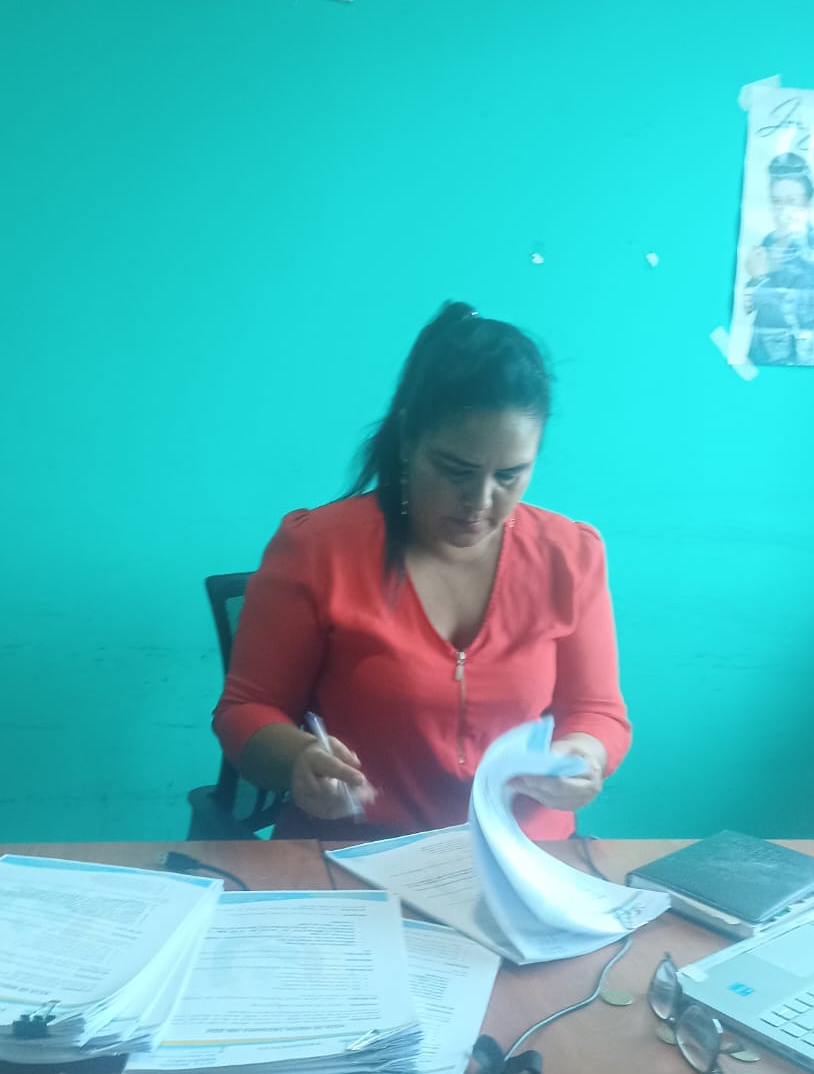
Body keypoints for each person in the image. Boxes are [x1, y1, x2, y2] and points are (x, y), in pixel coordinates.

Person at [212, 302, 631, 842]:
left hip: (520, 856)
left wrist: (585, 754)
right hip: (357, 854)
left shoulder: (569, 554)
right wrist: (299, 759)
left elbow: (598, 711)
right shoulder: (319, 549)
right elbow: (245, 709)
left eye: (510, 475)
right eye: (456, 471)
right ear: (409, 439)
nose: (480, 500)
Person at [745, 151, 814, 366]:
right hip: (757, 356)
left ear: (808, 202)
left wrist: (758, 278)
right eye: (776, 201)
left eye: (791, 201)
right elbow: (748, 306)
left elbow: (801, 312)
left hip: (793, 362)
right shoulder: (768, 241)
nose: (782, 210)